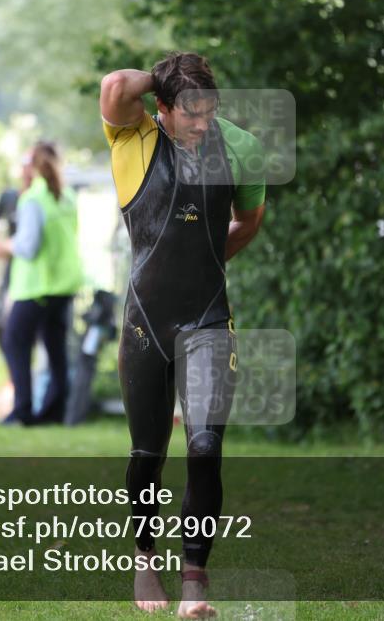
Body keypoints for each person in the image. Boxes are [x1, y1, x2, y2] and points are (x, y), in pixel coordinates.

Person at [99, 52, 266, 618]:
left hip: (208, 319)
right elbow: (118, 85)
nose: (201, 123)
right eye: (189, 112)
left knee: (204, 447)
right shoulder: (134, 138)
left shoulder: (239, 147)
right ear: (162, 109)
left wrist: (205, 262)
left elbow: (248, 221)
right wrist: (169, 73)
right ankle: (145, 561)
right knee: (148, 454)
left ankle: (195, 578)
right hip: (145, 323)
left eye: (209, 111)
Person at [0, 141, 83, 426]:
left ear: (31, 166)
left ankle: (23, 410)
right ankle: (54, 411)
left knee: (15, 342)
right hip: (65, 286)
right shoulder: (66, 196)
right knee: (56, 349)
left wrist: (5, 244)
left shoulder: (33, 199)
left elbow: (28, 247)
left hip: (37, 287)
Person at [0, 179, 19, 372]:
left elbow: (28, 244)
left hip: (38, 283)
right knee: (2, 324)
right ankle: (14, 376)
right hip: (14, 275)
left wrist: (9, 247)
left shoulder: (41, 199)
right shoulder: (10, 197)